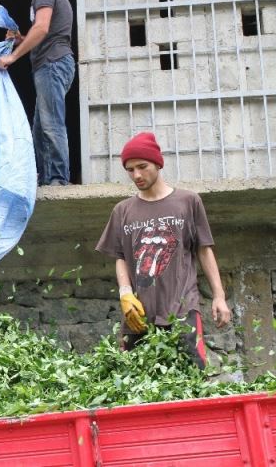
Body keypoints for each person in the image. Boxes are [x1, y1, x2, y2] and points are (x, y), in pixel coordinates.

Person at [95, 132, 232, 369]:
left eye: (142, 166)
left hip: (182, 311)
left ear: (158, 164)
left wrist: (219, 296)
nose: (136, 175)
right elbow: (120, 256)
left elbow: (204, 249)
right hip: (138, 315)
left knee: (192, 378)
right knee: (136, 382)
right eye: (130, 169)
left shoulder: (188, 201)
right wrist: (125, 293)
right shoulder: (122, 210)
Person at [0, 0, 75, 186]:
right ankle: (46, 179)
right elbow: (46, 33)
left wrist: (12, 56)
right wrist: (20, 39)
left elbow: (41, 28)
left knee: (51, 124)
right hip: (56, 63)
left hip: (52, 64)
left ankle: (58, 179)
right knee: (40, 128)